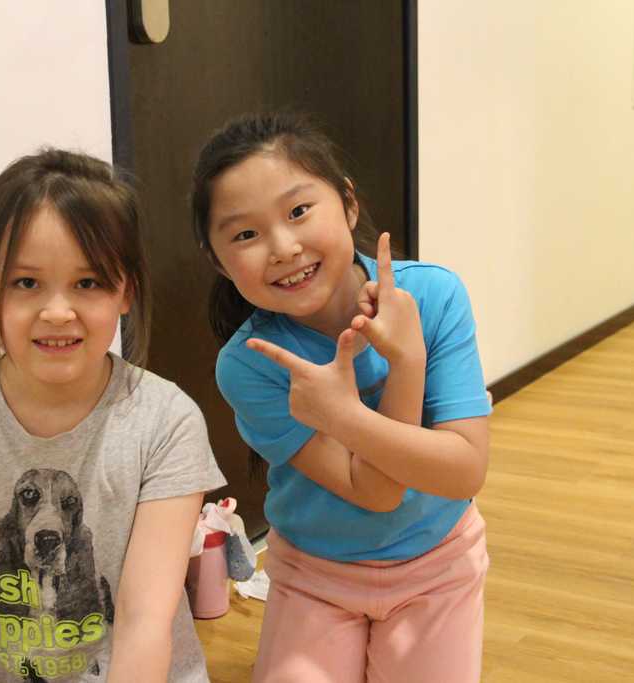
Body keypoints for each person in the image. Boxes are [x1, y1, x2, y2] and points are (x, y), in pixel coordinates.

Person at [0, 149, 226, 683]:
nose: (57, 312)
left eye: (88, 283)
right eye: (26, 283)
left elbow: (142, 621)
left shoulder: (166, 422)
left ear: (126, 289)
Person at [190, 113, 492, 683]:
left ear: (348, 204)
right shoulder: (250, 361)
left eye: (298, 211)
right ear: (217, 260)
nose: (284, 248)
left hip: (437, 565)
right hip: (315, 575)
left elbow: (465, 470)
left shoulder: (433, 295)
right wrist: (370, 398)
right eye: (245, 235)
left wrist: (405, 360)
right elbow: (376, 492)